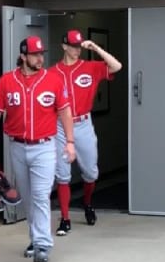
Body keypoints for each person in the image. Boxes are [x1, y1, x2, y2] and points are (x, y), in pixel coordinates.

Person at [0, 35, 76, 262]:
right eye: (35, 54)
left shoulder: (53, 80)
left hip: (45, 146)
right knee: (27, 197)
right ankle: (35, 239)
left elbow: (65, 111)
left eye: (41, 54)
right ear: (23, 56)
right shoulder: (7, 81)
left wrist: (69, 141)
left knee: (40, 195)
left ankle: (43, 244)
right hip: (17, 145)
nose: (40, 58)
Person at [52, 29, 123, 236]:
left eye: (79, 46)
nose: (76, 50)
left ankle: (87, 203)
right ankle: (65, 219)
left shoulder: (89, 67)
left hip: (83, 122)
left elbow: (116, 66)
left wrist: (95, 47)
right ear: (64, 46)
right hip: (59, 125)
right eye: (73, 46)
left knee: (91, 172)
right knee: (63, 175)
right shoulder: (52, 72)